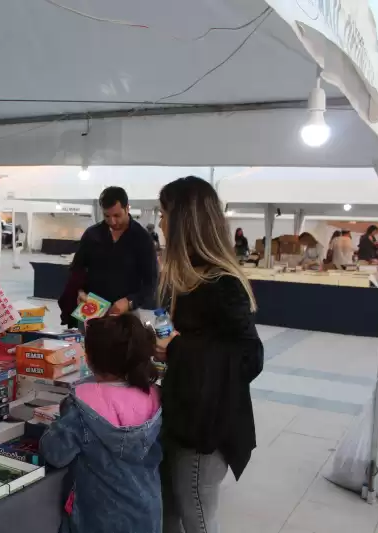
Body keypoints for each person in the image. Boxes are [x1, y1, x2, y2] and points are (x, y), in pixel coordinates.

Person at [155, 176, 263, 533]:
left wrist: (177, 348)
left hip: (207, 426)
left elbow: (250, 357)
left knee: (197, 515)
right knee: (168, 511)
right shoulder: (185, 276)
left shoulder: (221, 282)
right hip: (181, 412)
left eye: (164, 214)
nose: (160, 223)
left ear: (185, 221)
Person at [40, 313, 162, 533]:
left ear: (88, 359)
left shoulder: (81, 406)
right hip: (147, 512)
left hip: (96, 515)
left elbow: (54, 453)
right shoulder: (154, 397)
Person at [59, 186, 158, 325]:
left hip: (126, 316)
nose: (112, 221)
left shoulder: (142, 239)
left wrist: (130, 302)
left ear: (127, 208)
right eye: (107, 216)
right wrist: (79, 292)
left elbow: (151, 282)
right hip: (92, 311)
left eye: (117, 215)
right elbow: (77, 268)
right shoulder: (92, 235)